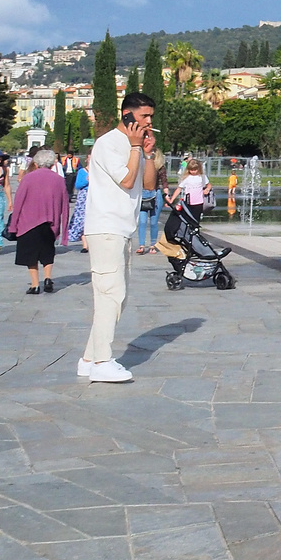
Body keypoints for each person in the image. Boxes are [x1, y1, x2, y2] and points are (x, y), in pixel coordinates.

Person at [78, 91, 159, 384]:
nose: (149, 121)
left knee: (115, 298)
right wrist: (136, 148)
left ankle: (89, 359)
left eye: (151, 116)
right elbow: (125, 180)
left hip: (123, 228)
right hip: (106, 227)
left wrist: (147, 152)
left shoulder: (135, 146)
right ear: (127, 115)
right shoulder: (109, 143)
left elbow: (147, 186)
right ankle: (102, 362)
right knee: (111, 295)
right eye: (144, 116)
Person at [10, 149, 69, 295]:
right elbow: (65, 205)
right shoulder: (59, 180)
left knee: (31, 254)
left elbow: (19, 202)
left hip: (28, 222)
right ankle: (48, 278)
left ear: (36, 163)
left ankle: (35, 284)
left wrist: (13, 225)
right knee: (47, 252)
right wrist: (63, 228)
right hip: (50, 223)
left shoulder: (28, 178)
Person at [137, 154, 168, 255]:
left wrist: (167, 194)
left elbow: (164, 181)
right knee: (142, 221)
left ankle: (153, 245)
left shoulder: (159, 167)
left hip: (156, 194)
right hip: (142, 193)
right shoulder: (141, 165)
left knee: (154, 222)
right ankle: (141, 245)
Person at [169, 158, 211, 223]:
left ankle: (195, 231)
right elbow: (179, 189)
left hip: (199, 202)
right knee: (187, 219)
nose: (193, 171)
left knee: (196, 220)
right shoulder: (186, 178)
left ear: (199, 169)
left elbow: (209, 185)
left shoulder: (202, 177)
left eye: (195, 169)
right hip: (188, 202)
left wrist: (207, 189)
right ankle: (188, 231)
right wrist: (171, 200)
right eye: (191, 170)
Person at [67, 158, 90, 251]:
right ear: (86, 160)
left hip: (96, 196)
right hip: (84, 196)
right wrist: (87, 180)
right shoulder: (82, 171)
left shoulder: (100, 171)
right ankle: (85, 245)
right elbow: (78, 185)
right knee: (82, 220)